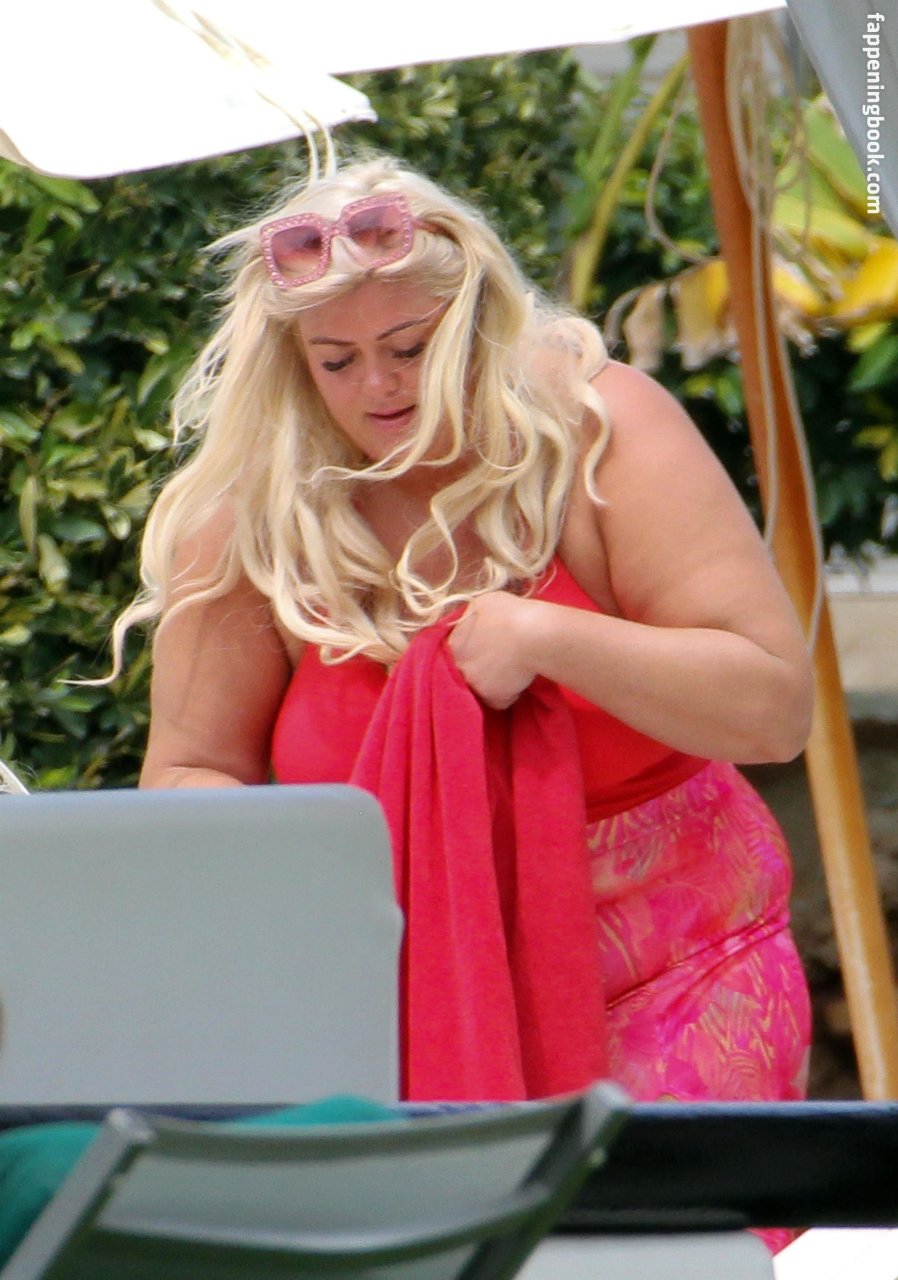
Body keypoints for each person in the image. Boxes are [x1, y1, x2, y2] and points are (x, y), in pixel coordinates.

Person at [119, 155, 812, 1117]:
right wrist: (322, 883)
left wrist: (552, 639)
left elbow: (774, 709)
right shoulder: (253, 520)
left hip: (683, 967)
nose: (379, 386)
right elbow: (188, 773)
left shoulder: (598, 432)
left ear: (479, 321)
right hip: (392, 987)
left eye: (410, 347)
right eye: (336, 360)